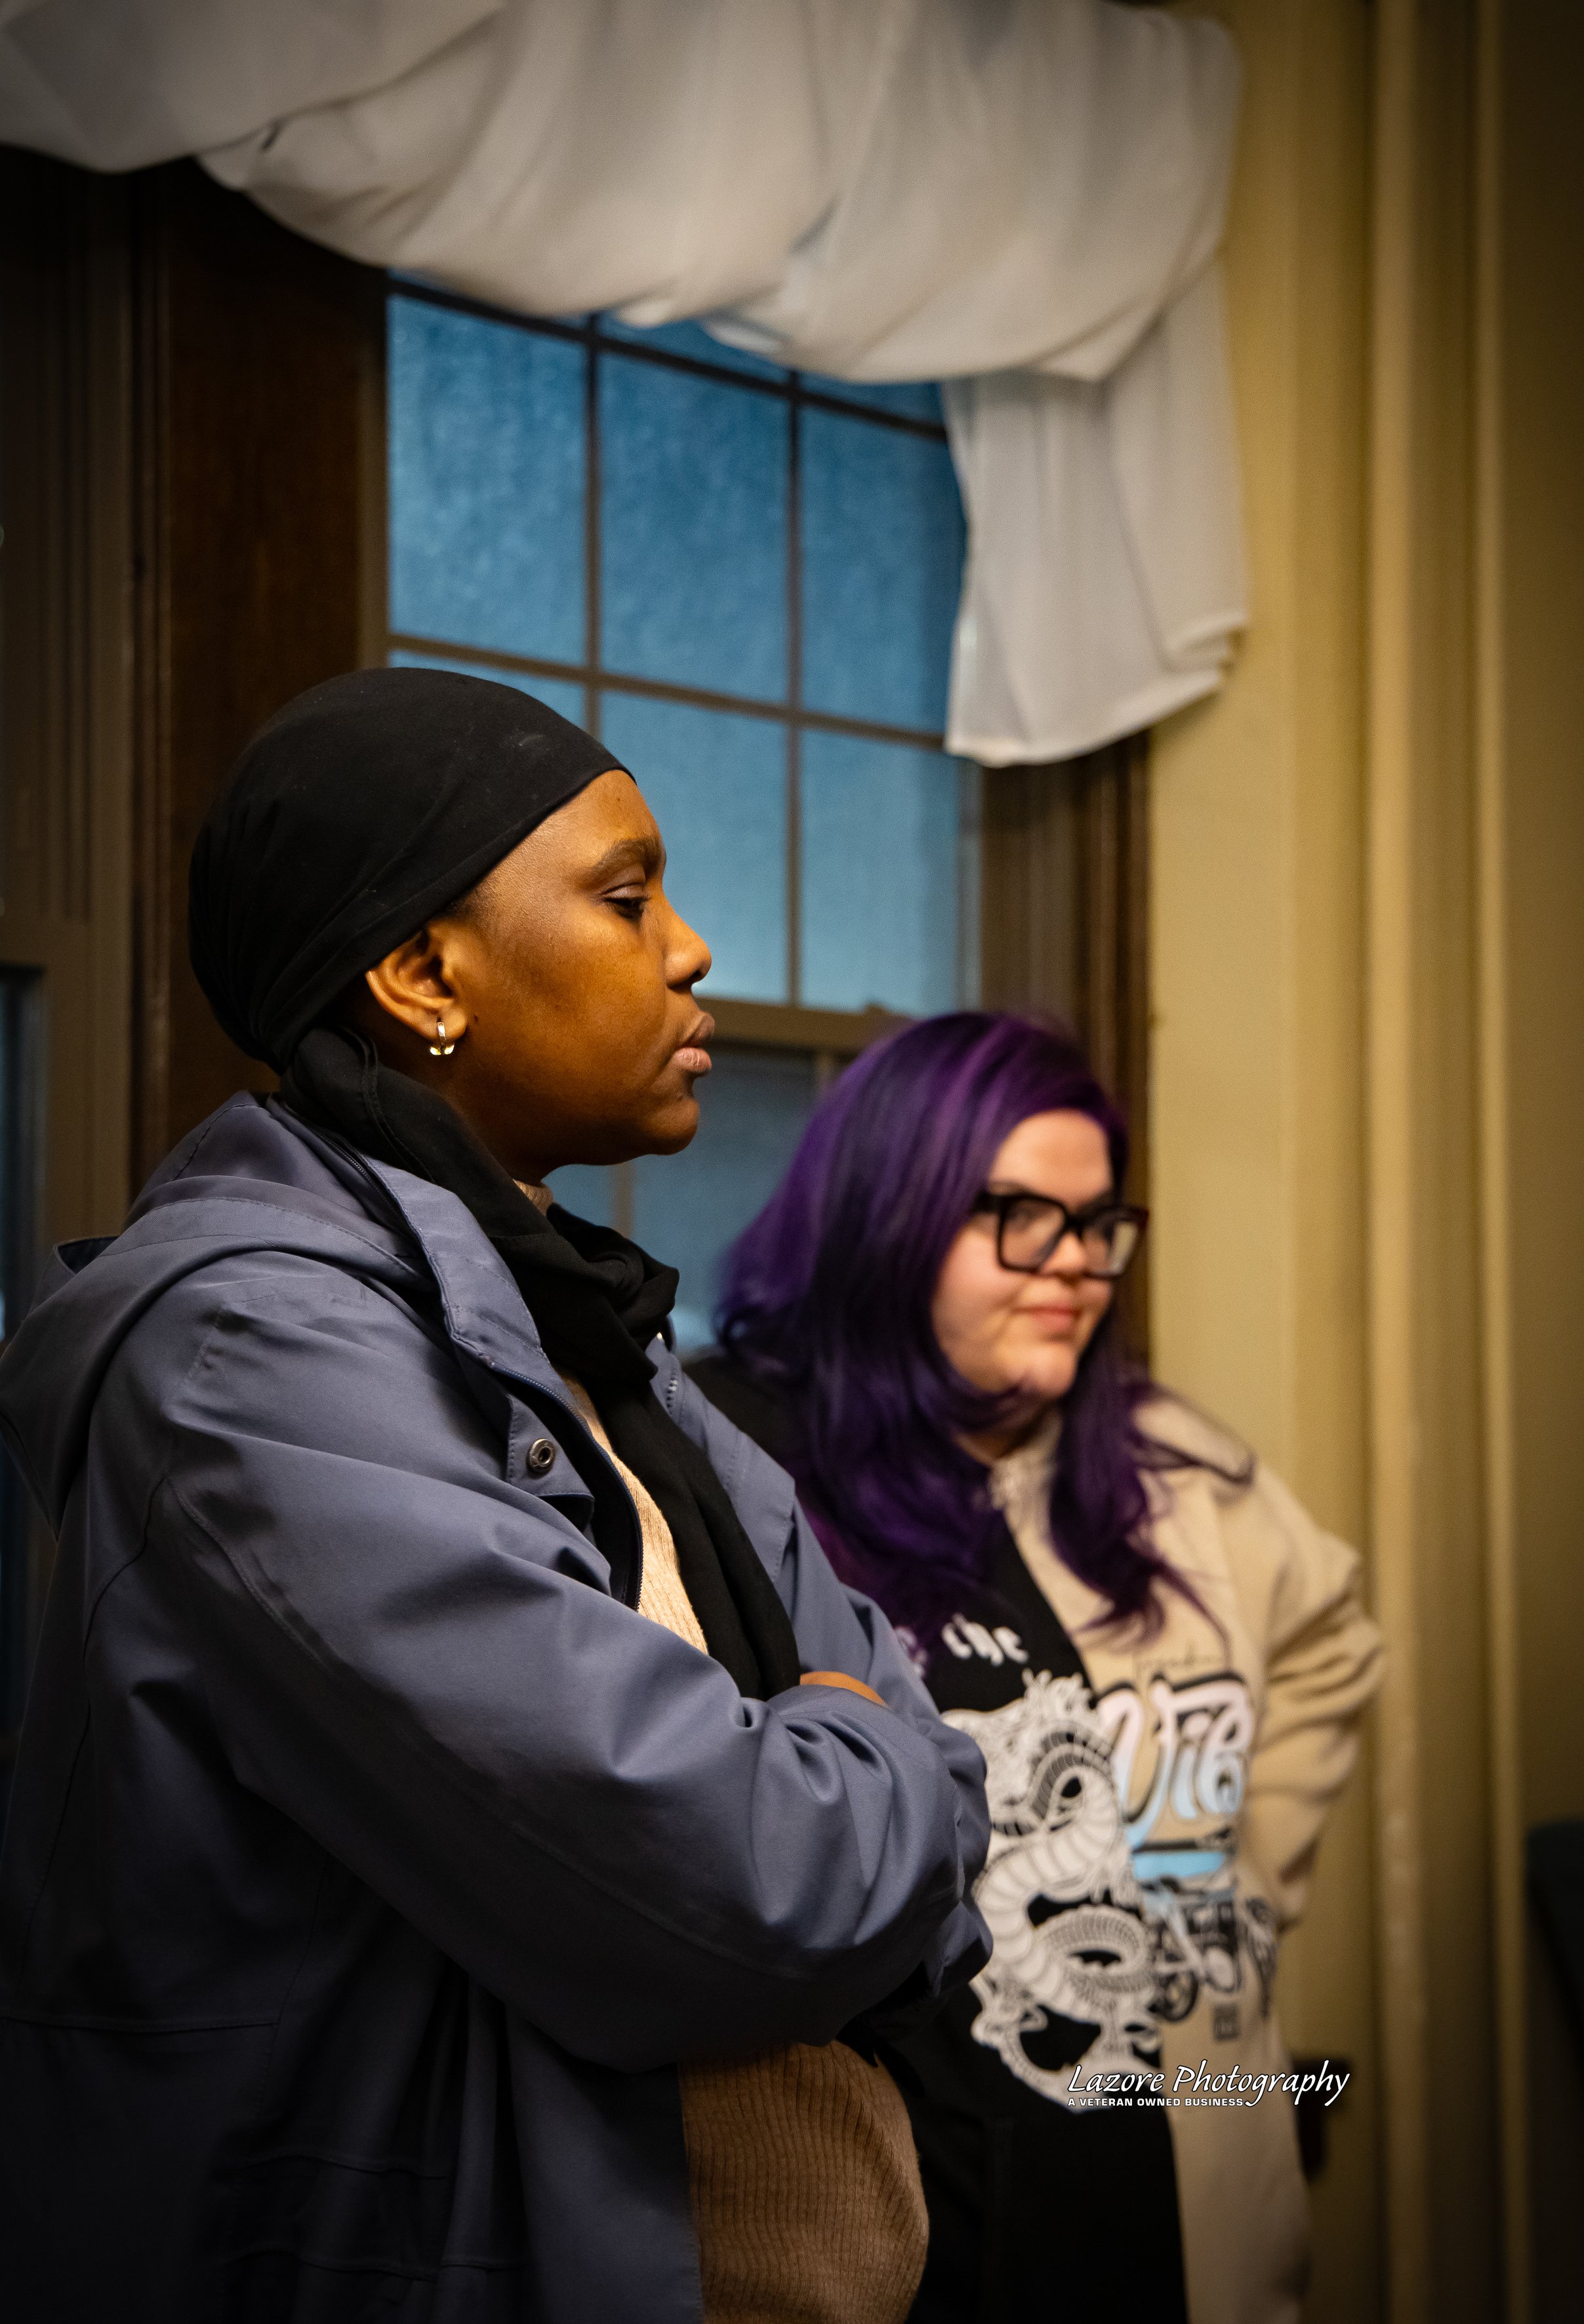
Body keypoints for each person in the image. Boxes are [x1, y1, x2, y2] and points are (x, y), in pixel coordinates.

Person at [0, 668, 991, 2324]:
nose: (686, 949)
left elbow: (905, 1739)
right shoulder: (251, 1355)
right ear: (418, 974)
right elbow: (736, 1878)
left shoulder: (589, 1328)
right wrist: (860, 1778)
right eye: (624, 895)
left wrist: (855, 1769)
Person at [691, 1011, 1383, 2324]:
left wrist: (1220, 1888)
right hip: (901, 2209)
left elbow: (1328, 1641)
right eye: (1015, 1217)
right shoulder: (740, 1461)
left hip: (1170, 2179)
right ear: (887, 1218)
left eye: (1095, 1224)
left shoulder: (1165, 1471)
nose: (1070, 1263)